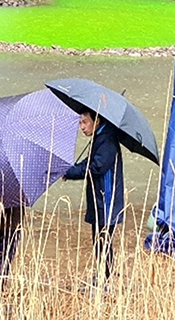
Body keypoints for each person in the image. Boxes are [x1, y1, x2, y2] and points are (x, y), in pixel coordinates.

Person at [63, 110, 124, 291]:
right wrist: (69, 170)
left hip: (107, 200)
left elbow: (96, 166)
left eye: (84, 122)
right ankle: (104, 276)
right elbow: (88, 162)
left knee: (102, 240)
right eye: (80, 123)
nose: (81, 127)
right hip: (99, 198)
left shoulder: (107, 140)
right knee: (100, 240)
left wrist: (71, 172)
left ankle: (104, 282)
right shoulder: (100, 137)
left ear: (96, 121)